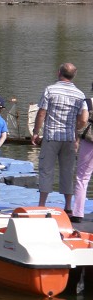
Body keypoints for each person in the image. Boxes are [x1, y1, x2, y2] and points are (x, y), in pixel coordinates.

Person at [31, 63, 88, 215]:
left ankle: (42, 205)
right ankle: (68, 206)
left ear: (59, 73)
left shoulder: (50, 90)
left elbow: (42, 113)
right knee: (68, 171)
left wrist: (36, 132)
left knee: (46, 170)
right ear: (73, 76)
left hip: (51, 136)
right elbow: (83, 119)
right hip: (69, 138)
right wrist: (75, 130)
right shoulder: (80, 95)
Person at [71, 83, 93, 223]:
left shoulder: (88, 102)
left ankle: (78, 213)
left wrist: (76, 132)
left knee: (82, 177)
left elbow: (83, 120)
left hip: (89, 141)